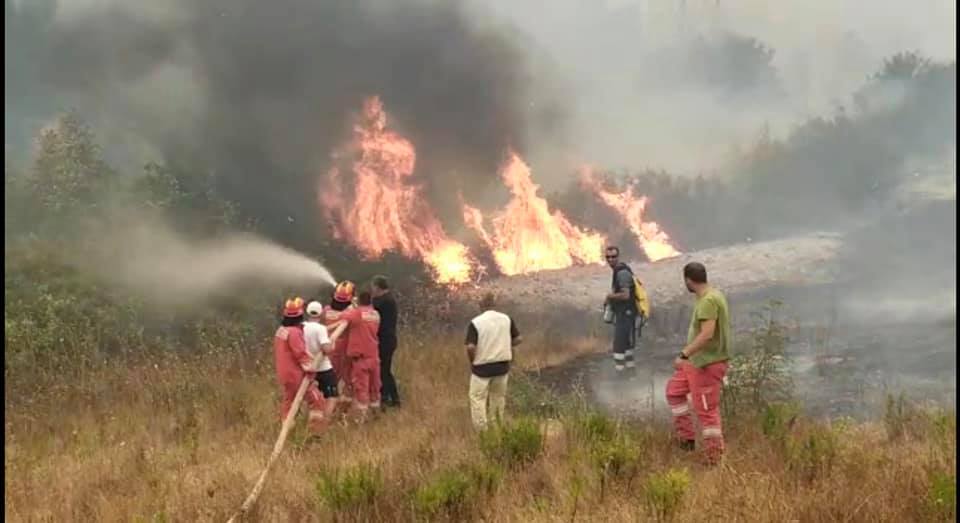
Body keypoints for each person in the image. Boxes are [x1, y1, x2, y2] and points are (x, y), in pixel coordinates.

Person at [665, 262, 731, 465]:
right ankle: (686, 440)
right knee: (674, 392)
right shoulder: (712, 295)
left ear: (688, 280)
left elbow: (707, 334)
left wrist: (684, 354)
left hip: (706, 365)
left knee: (706, 411)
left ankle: (714, 459)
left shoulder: (708, 301)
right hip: (696, 363)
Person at [464, 293, 522, 430]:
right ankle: (496, 429)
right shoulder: (506, 319)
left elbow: (471, 346)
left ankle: (482, 432)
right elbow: (519, 339)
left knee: (478, 399)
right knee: (498, 398)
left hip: (481, 369)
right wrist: (507, 344)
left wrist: (472, 361)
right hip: (502, 367)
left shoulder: (476, 322)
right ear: (495, 304)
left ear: (481, 306)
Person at [273, 297, 326, 434]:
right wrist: (311, 369)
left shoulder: (281, 331)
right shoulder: (294, 333)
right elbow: (300, 354)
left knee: (289, 404)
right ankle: (315, 435)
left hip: (284, 375)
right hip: (296, 375)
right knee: (317, 401)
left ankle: (289, 432)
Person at [340, 290, 382, 420]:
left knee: (361, 389)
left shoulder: (356, 313)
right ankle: (376, 415)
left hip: (360, 359)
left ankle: (361, 420)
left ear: (359, 301)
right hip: (374, 357)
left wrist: (352, 305)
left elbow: (343, 317)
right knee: (375, 388)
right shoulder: (376, 314)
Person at [604, 245, 642, 378]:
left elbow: (625, 295)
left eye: (613, 256)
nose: (610, 259)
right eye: (608, 257)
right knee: (627, 346)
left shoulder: (622, 273)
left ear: (618, 256)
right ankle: (631, 376)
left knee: (619, 346)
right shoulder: (619, 270)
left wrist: (610, 296)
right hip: (626, 313)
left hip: (626, 314)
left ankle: (621, 378)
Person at [305, 301, 339, 424]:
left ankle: (312, 421)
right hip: (324, 369)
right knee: (332, 396)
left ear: (307, 312)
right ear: (321, 314)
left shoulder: (301, 327)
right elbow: (326, 349)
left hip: (308, 369)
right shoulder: (320, 329)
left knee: (313, 398)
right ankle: (324, 421)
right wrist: (332, 344)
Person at [321, 281, 355, 401]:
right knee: (345, 378)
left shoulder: (326, 310)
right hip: (344, 349)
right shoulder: (349, 313)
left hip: (328, 348)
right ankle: (338, 402)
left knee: (330, 375)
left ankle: (328, 398)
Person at [371, 275, 400, 408]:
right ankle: (390, 399)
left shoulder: (385, 301)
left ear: (377, 287)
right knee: (385, 370)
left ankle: (390, 399)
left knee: (383, 371)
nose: (372, 290)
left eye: (373, 287)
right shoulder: (387, 299)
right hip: (388, 340)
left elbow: (371, 310)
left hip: (385, 341)